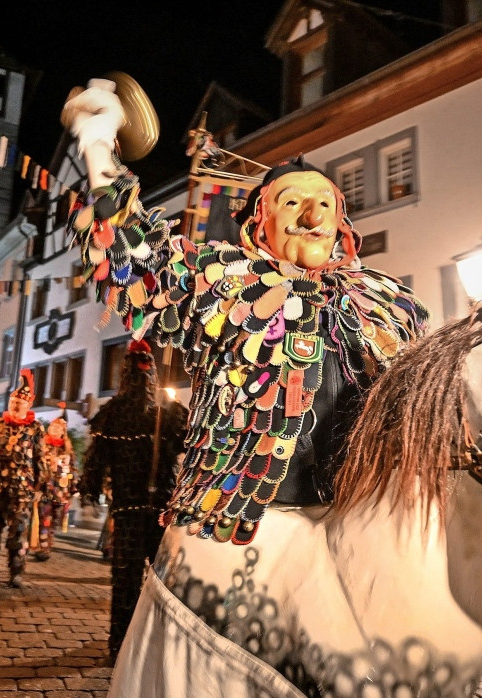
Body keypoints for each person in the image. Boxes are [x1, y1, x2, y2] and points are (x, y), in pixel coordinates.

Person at [63, 84, 428, 546]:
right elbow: (138, 258)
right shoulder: (226, 279)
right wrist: (97, 146)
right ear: (261, 221)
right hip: (239, 523)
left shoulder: (388, 302)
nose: (312, 215)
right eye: (292, 201)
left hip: (362, 522)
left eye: (326, 204)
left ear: (340, 223)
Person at [79, 339, 188, 658]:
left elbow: (95, 466)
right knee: (155, 583)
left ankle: (123, 646)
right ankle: (143, 647)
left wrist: (92, 488)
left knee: (139, 583)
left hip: (144, 512)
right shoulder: (163, 412)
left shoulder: (134, 413)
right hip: (147, 512)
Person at [0, 369, 44, 588]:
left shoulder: (35, 429)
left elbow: (40, 459)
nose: (16, 405)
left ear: (28, 405)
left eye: (20, 402)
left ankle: (16, 571)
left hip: (21, 490)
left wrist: (41, 486)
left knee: (18, 531)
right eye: (13, 401)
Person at [33, 403, 77, 562]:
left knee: (55, 521)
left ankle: (47, 543)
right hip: (45, 489)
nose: (55, 430)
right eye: (53, 427)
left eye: (59, 428)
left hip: (61, 492)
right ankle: (43, 547)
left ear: (63, 432)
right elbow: (37, 464)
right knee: (44, 518)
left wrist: (73, 486)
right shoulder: (42, 445)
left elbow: (73, 469)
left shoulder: (67, 450)